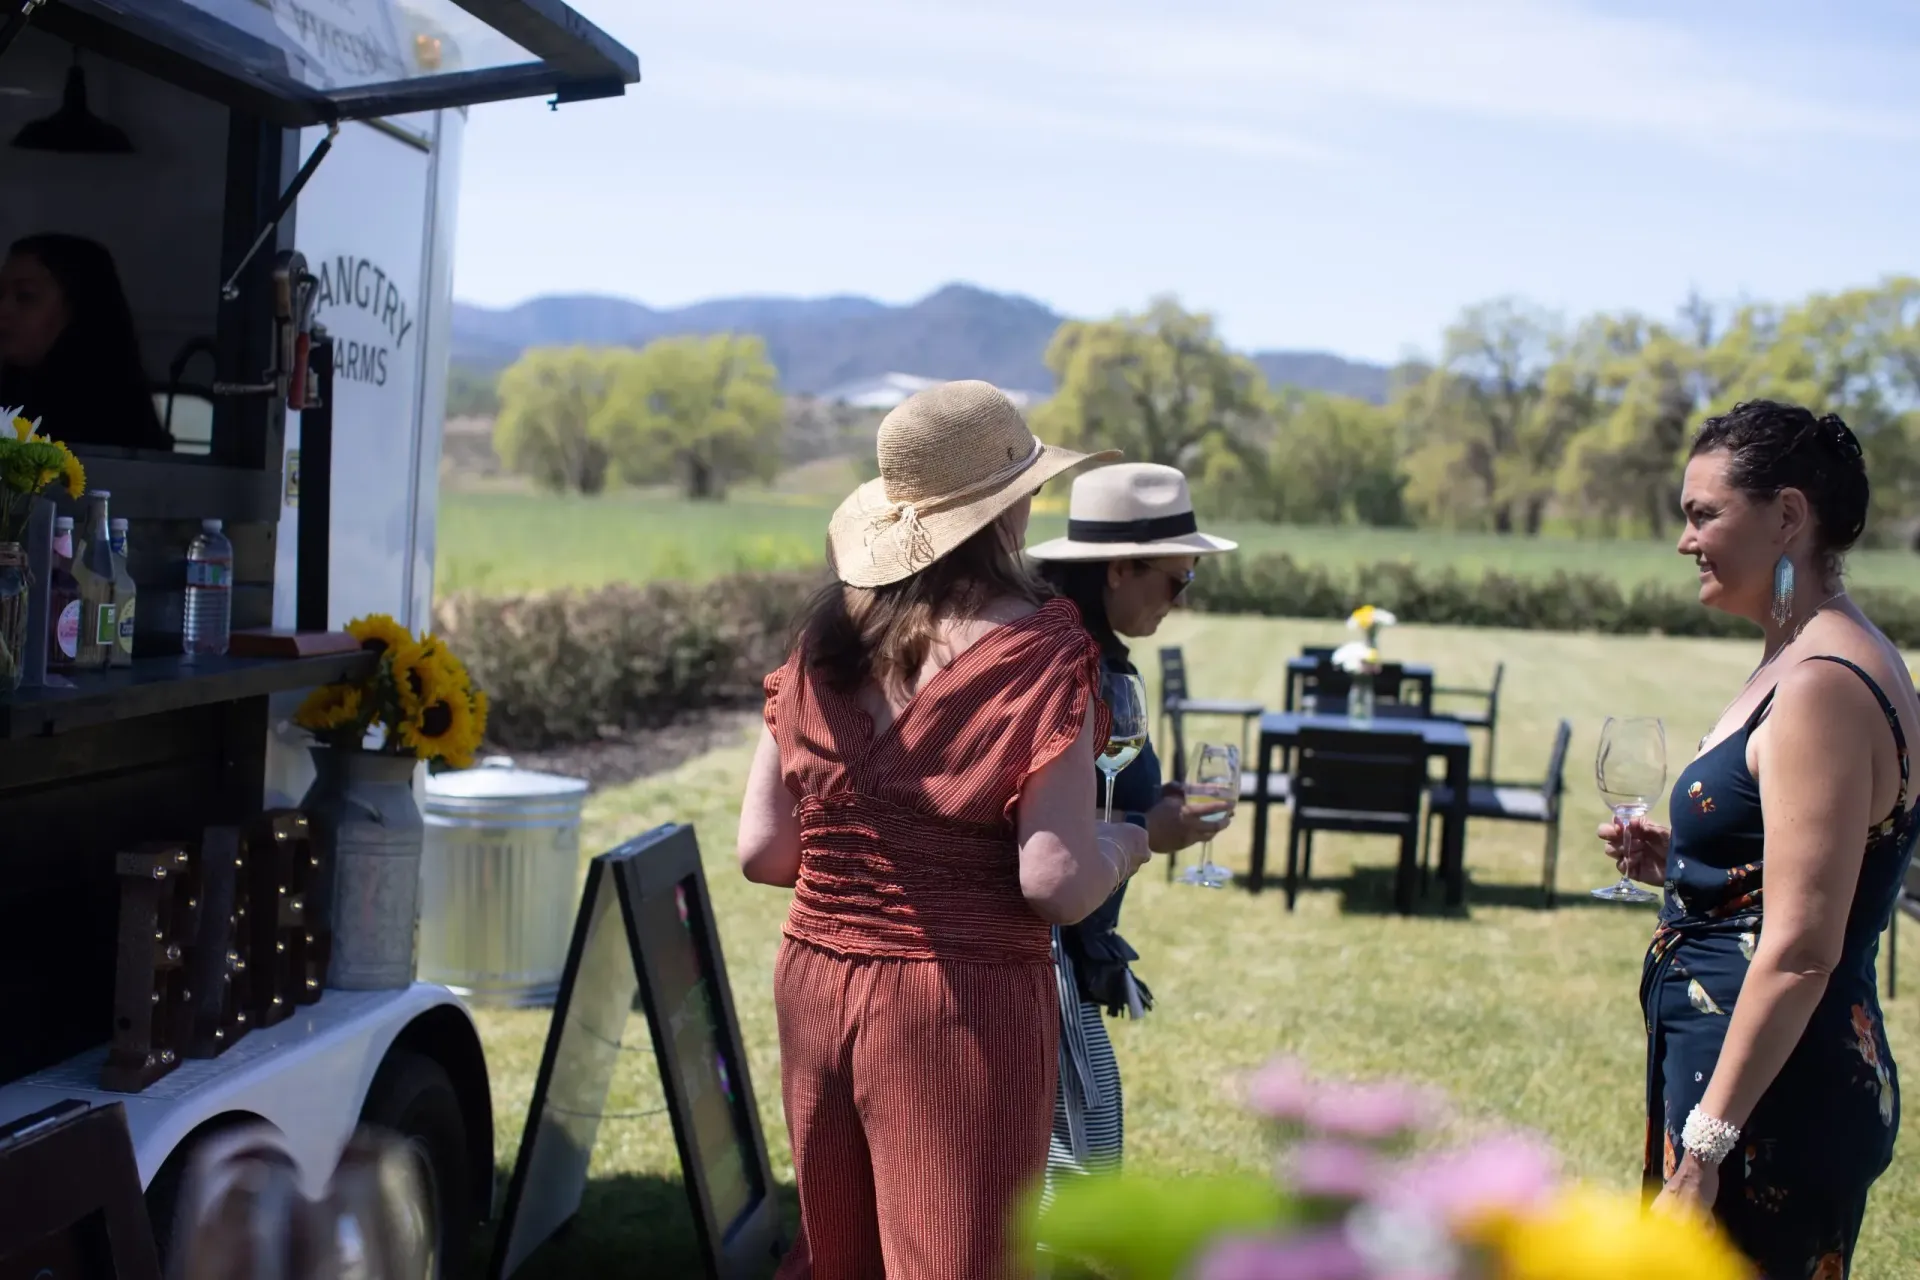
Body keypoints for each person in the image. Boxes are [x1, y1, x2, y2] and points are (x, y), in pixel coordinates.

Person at [736, 380, 1148, 1280]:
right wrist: (1127, 844)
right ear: (1010, 510)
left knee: (839, 1257)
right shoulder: (1044, 654)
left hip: (816, 982)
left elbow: (764, 853)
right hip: (960, 1005)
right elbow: (1054, 882)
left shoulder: (822, 643)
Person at [1600, 400, 1916, 1277]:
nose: (1685, 541)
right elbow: (1818, 863)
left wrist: (1703, 1151)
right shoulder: (1812, 653)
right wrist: (1691, 863)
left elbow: (1804, 951)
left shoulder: (1821, 684)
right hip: (1755, 1092)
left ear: (1787, 517)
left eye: (1704, 514)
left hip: (1767, 1110)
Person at [1025, 462, 1238, 1203]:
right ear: (1118, 569)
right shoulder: (1066, 666)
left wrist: (1153, 811)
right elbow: (1042, 830)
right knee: (1072, 1185)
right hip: (1043, 963)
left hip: (1068, 954)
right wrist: (1152, 828)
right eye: (1178, 581)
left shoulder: (1091, 654)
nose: (1182, 600)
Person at [0, 233, 171, 451]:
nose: (3, 310)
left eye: (26, 296)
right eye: (0, 295)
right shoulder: (13, 395)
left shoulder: (107, 418)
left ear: (78, 310)